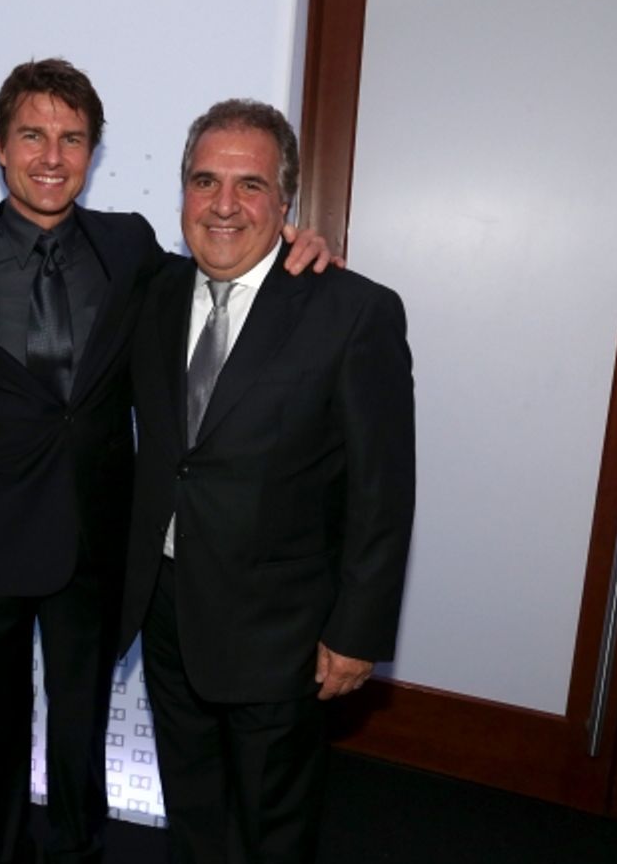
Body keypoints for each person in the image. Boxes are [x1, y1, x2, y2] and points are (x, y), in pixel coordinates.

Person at [0, 63, 334, 864]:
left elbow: (229, 279)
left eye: (72, 138)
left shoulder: (132, 247)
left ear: (93, 152)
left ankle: (78, 850)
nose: (51, 155)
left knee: (82, 729)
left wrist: (296, 247)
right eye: (32, 135)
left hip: (96, 546)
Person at [119, 98, 415, 863]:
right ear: (181, 189)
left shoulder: (354, 312)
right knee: (191, 808)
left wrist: (357, 633)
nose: (223, 205)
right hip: (166, 611)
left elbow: (383, 492)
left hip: (281, 633)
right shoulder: (149, 296)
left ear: (285, 201)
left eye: (249, 186)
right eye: (204, 181)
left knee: (272, 830)